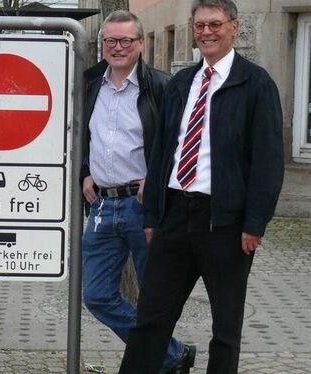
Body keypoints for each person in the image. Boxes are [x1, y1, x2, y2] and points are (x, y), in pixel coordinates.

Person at [119, 1, 284, 373]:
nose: (206, 32)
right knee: (151, 320)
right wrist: (152, 215)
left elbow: (268, 162)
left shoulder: (255, 84)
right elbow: (162, 153)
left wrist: (255, 223)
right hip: (174, 216)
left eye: (215, 24)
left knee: (225, 328)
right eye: (199, 26)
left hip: (225, 222)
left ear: (234, 27)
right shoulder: (182, 83)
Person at [80, 10, 195, 374]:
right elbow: (81, 135)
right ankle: (171, 354)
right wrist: (85, 172)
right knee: (96, 295)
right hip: (101, 205)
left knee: (154, 297)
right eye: (110, 41)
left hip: (143, 206)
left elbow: (181, 143)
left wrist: (157, 179)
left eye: (126, 41)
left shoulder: (162, 86)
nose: (117, 48)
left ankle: (154, 358)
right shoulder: (89, 83)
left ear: (140, 44)